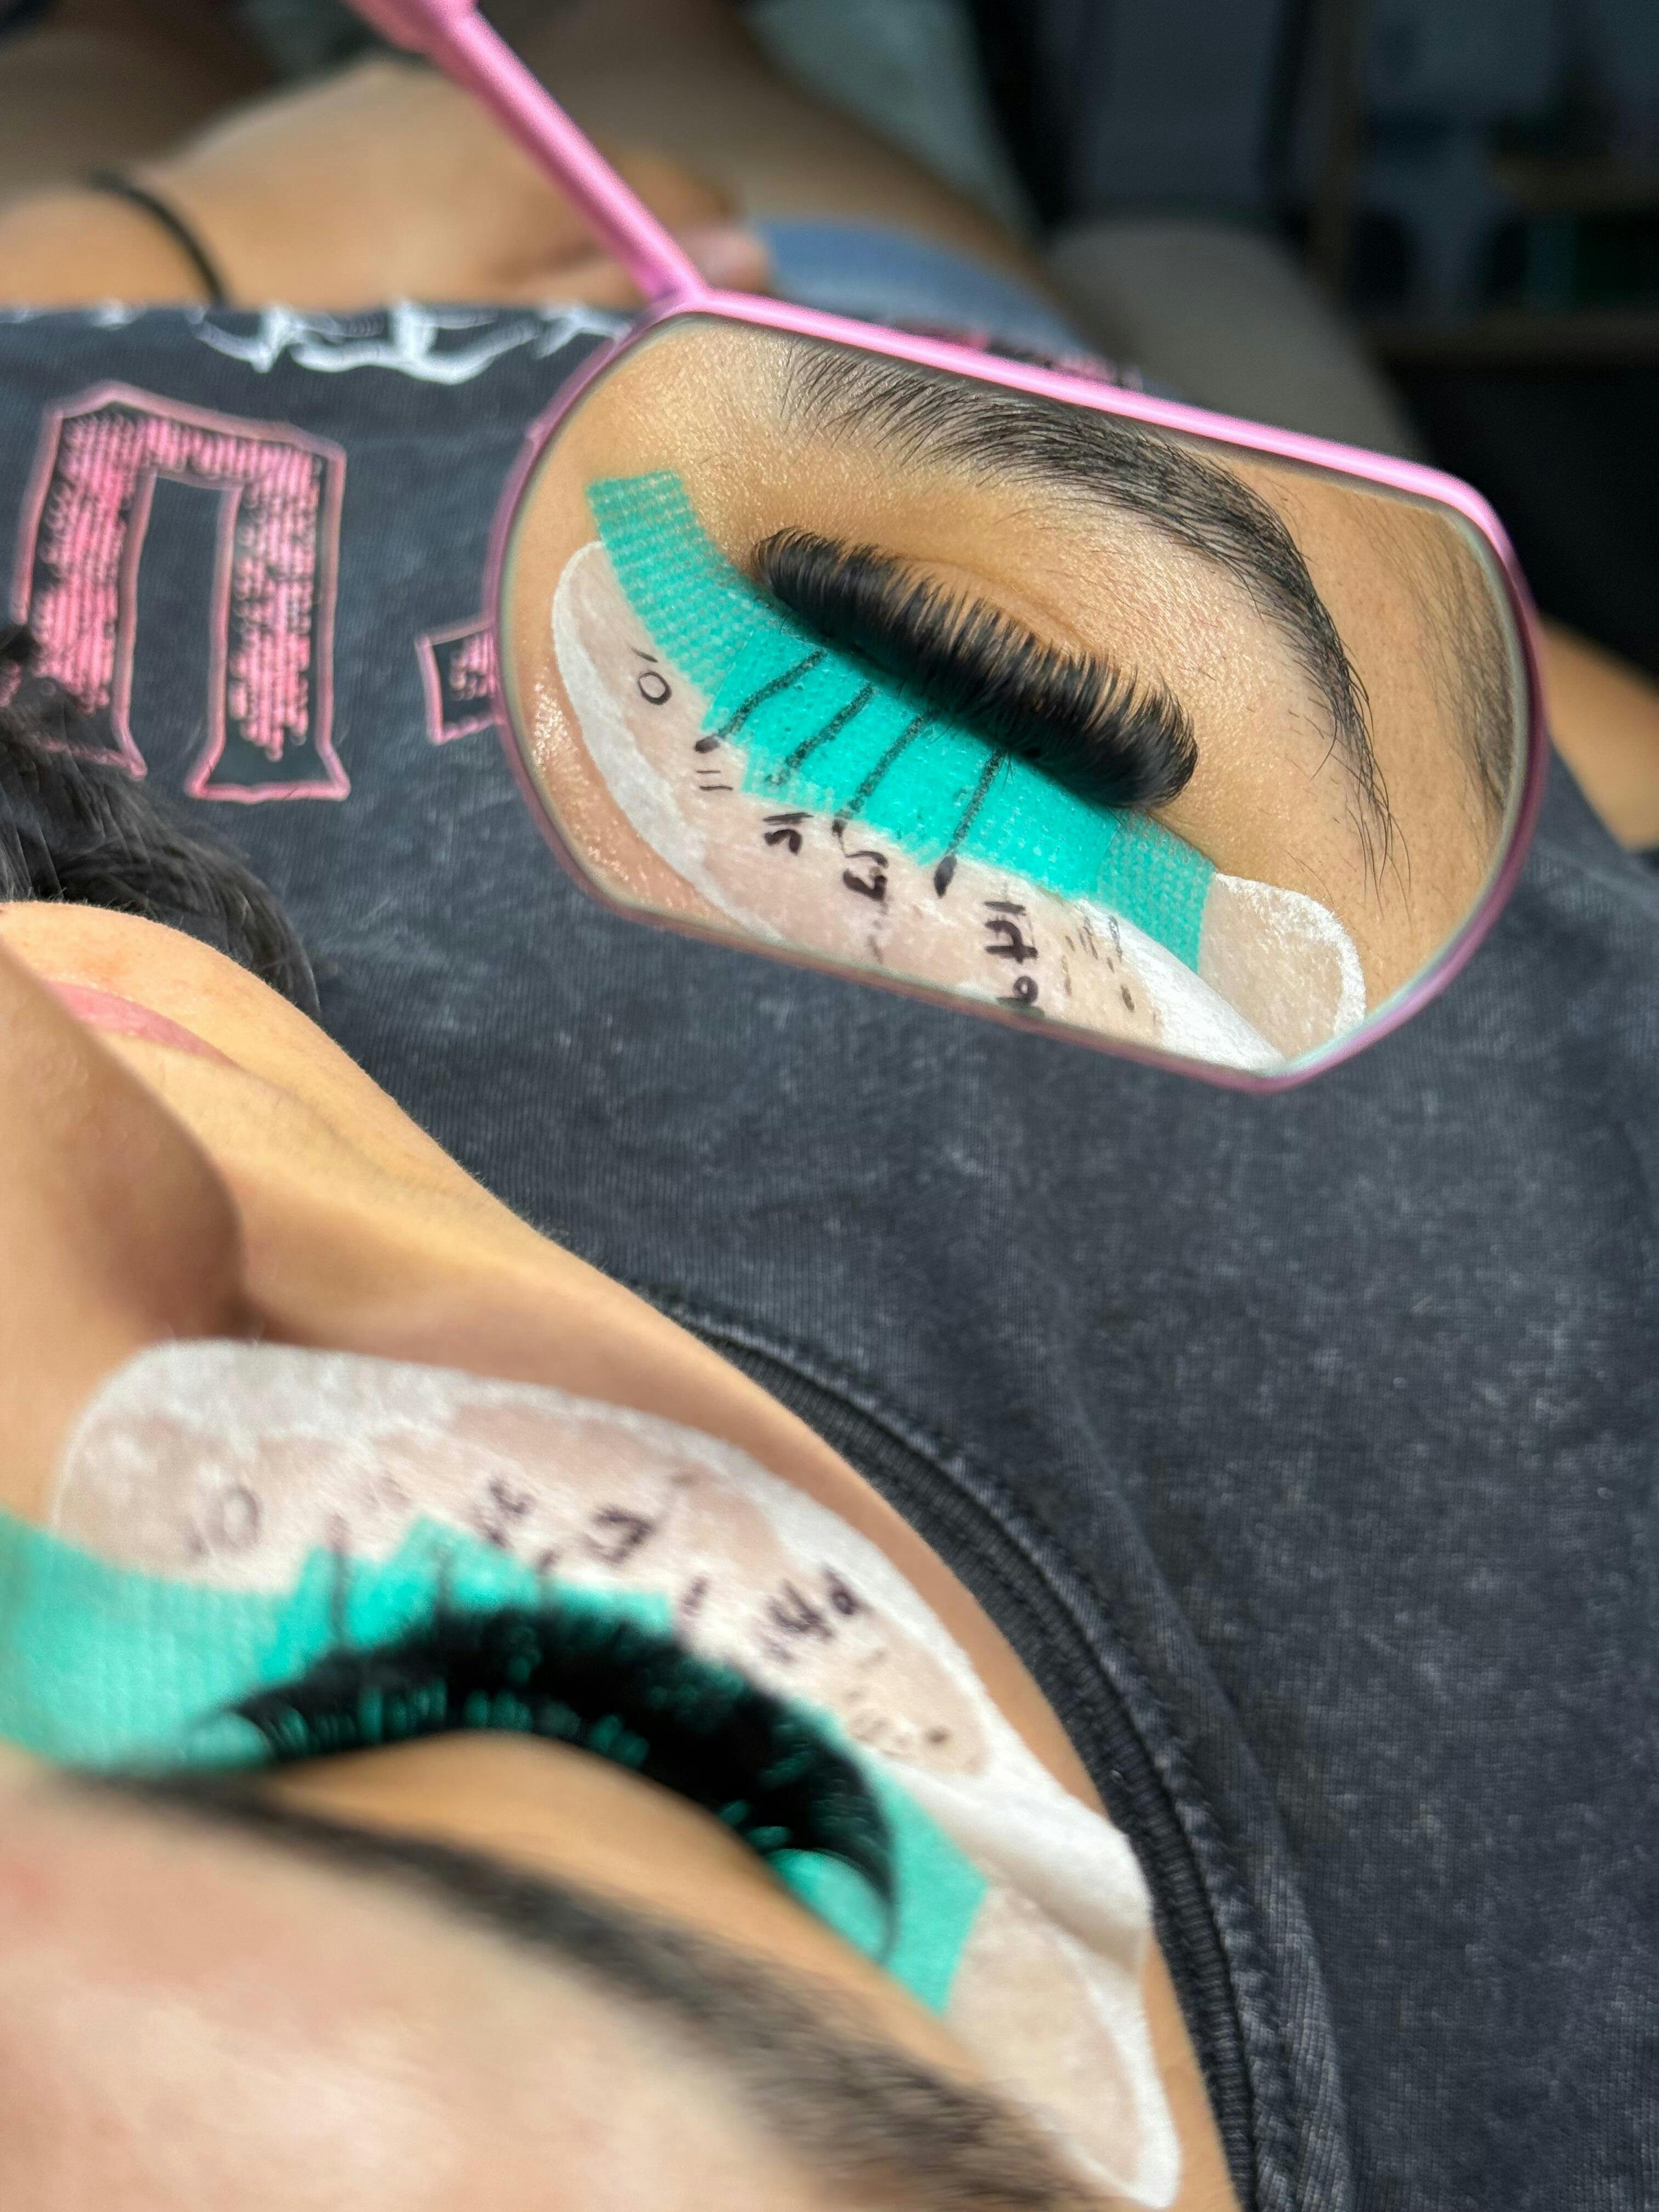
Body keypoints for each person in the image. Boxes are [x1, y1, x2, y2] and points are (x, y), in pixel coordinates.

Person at [0, 4, 1654, 2208]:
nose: (72, 1033)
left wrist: (170, 231)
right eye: (569, 1720)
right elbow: (1509, 777)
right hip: (783, 337)